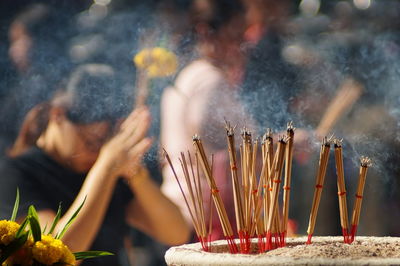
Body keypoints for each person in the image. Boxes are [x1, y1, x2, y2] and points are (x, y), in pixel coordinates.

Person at [0, 64, 190, 266]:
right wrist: (106, 166)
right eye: (91, 141)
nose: (97, 151)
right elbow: (54, 256)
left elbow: (176, 233)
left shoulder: (107, 168)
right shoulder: (14, 173)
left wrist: (134, 172)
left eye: (104, 142)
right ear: (57, 115)